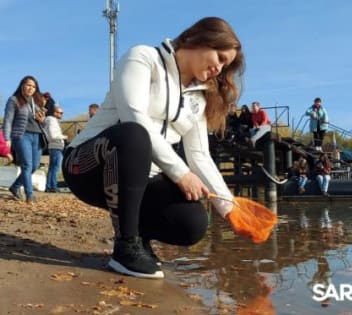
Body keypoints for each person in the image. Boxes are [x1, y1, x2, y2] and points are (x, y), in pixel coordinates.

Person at [62, 17, 245, 279]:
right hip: (86, 165)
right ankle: (126, 246)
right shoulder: (143, 57)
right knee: (135, 134)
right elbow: (133, 115)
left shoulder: (199, 99)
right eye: (220, 57)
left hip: (140, 181)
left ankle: (138, 237)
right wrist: (180, 174)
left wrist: (231, 207)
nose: (219, 68)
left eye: (225, 65)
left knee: (192, 222)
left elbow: (199, 155)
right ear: (200, 39)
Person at [2, 75, 46, 203]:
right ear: (22, 85)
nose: (31, 88)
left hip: (37, 135)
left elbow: (42, 123)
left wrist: (42, 120)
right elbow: (8, 120)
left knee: (34, 166)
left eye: (33, 86)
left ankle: (15, 186)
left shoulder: (36, 102)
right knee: (27, 165)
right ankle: (30, 194)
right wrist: (6, 138)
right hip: (21, 135)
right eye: (28, 85)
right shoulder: (14, 100)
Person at [44, 105, 68, 193]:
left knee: (52, 168)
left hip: (54, 146)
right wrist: (64, 137)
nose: (62, 114)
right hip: (56, 146)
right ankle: (53, 186)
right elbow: (53, 135)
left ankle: (49, 186)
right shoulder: (52, 121)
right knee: (55, 168)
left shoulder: (51, 121)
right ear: (55, 113)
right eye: (60, 113)